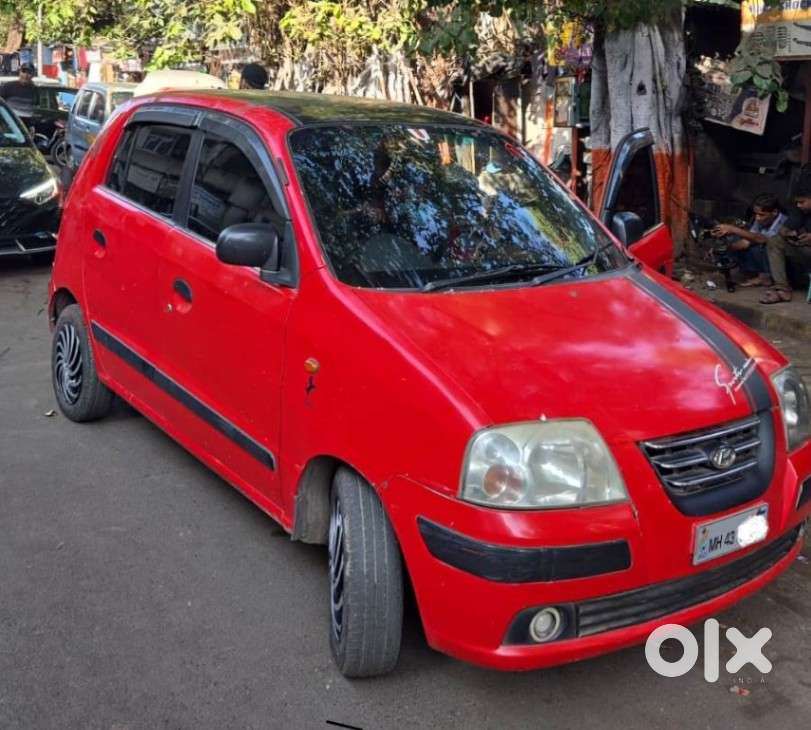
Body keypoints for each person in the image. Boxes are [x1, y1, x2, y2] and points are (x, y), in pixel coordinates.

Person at [711, 194, 785, 288]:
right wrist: (722, 248)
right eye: (756, 214)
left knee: (763, 246)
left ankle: (766, 277)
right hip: (762, 247)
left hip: (783, 262)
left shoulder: (782, 221)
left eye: (761, 215)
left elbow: (762, 239)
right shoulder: (760, 220)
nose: (757, 218)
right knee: (736, 240)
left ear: (774, 212)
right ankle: (744, 271)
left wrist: (733, 229)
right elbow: (746, 242)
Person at [760, 187, 811, 304]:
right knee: (774, 241)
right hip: (805, 251)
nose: (799, 205)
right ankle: (782, 289)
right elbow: (784, 229)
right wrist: (789, 234)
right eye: (797, 202)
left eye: (802, 202)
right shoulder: (801, 211)